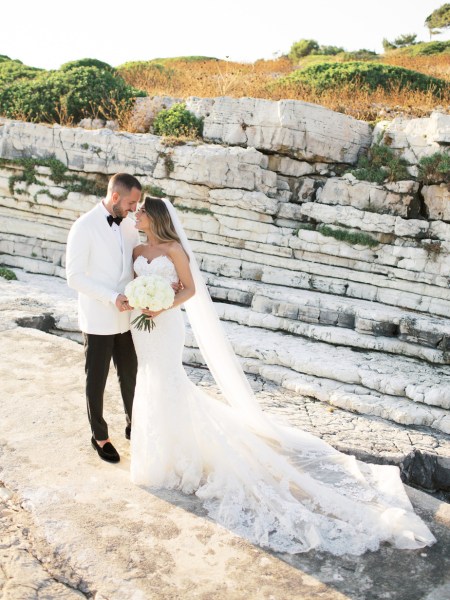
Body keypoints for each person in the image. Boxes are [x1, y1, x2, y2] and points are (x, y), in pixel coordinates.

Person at [129, 196, 436, 555]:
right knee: (148, 380)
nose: (135, 214)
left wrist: (161, 304)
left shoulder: (175, 248)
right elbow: (131, 283)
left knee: (168, 380)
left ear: (154, 217)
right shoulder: (136, 249)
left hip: (165, 325)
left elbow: (190, 289)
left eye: (140, 211)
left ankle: (176, 455)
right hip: (141, 327)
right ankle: (160, 450)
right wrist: (136, 301)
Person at [66, 173, 141, 464]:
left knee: (130, 374)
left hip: (128, 316)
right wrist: (112, 297)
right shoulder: (84, 226)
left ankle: (134, 425)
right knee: (96, 379)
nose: (135, 208)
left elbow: (133, 264)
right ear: (115, 198)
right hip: (98, 316)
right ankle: (99, 436)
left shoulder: (130, 225)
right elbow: (74, 277)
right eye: (132, 202)